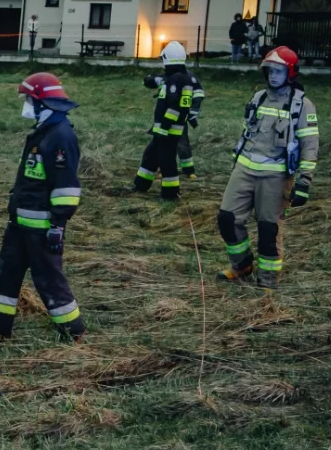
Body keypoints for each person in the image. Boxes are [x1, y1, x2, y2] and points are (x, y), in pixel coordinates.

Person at [0, 72, 85, 344]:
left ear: (41, 102)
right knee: (4, 273)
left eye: (28, 99)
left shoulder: (60, 137)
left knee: (49, 280)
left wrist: (57, 227)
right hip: (20, 226)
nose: (25, 105)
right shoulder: (44, 133)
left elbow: (67, 189)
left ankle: (75, 333)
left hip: (42, 229)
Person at [217, 46, 319, 290]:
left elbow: (310, 145)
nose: (273, 75)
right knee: (227, 219)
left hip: (276, 175)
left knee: (267, 229)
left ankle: (267, 281)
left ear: (291, 73)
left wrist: (304, 181)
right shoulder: (258, 97)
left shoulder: (303, 106)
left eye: (279, 71)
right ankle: (241, 265)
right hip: (244, 168)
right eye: (269, 71)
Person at [129, 41, 198, 199]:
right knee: (151, 156)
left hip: (168, 130)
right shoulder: (179, 78)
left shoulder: (176, 80)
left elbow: (176, 106)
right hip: (163, 130)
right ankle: (141, 185)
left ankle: (170, 194)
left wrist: (165, 126)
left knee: (167, 162)